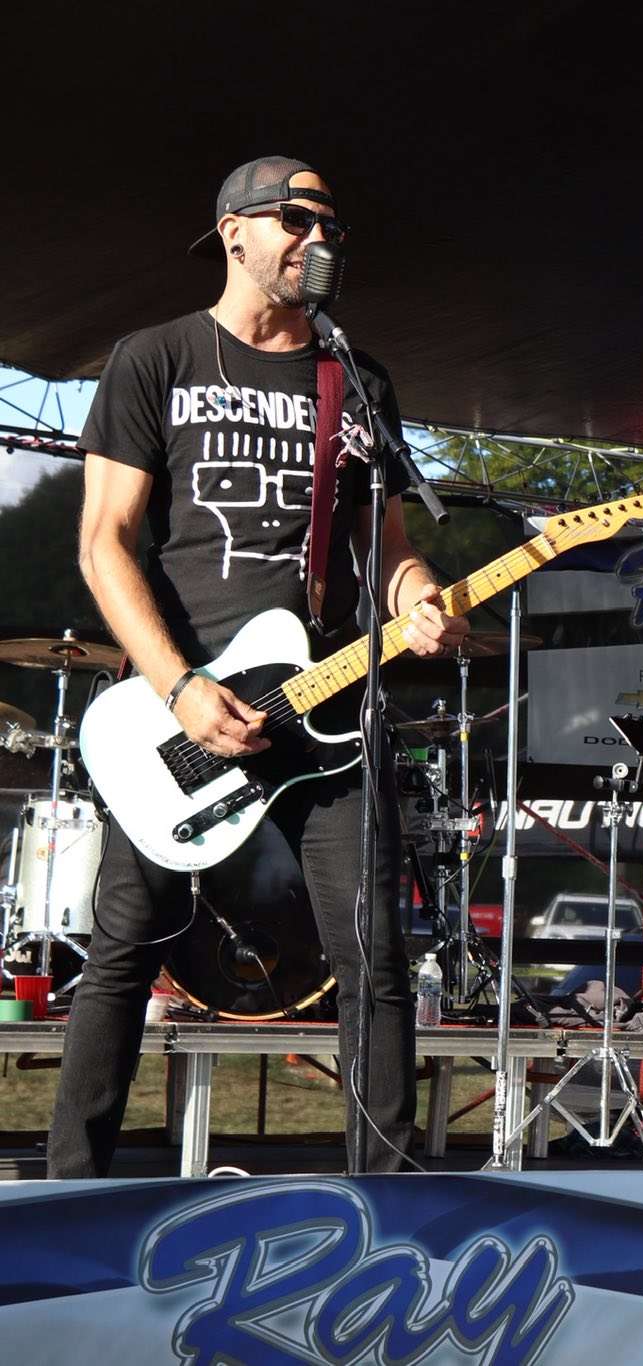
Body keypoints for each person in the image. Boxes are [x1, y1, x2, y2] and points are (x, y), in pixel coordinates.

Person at [51, 157, 467, 1177]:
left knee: (373, 958)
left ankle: (386, 1198)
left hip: (323, 706)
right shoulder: (156, 359)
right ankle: (66, 1193)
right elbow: (104, 541)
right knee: (127, 946)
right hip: (182, 702)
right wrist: (179, 687)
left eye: (329, 221)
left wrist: (416, 594)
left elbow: (389, 541)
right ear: (233, 232)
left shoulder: (355, 382)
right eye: (295, 216)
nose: (316, 235)